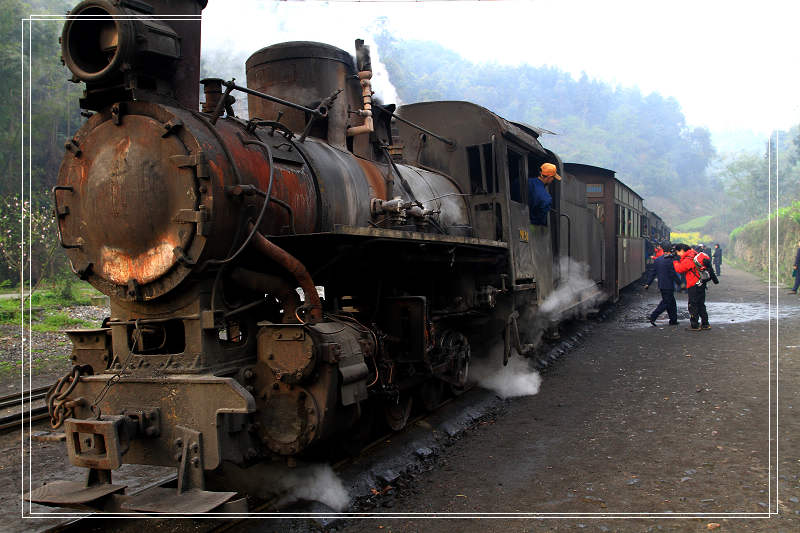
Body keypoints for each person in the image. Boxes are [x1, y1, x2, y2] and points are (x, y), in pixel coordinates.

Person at [673, 243, 718, 331]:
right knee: (701, 304)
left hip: (693, 284)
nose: (678, 254)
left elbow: (679, 269)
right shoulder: (695, 254)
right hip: (701, 283)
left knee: (693, 305)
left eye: (678, 252)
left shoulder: (688, 258)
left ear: (682, 250)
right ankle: (705, 324)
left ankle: (694, 325)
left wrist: (675, 261)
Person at [643, 244, 681, 326]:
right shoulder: (670, 260)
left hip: (661, 284)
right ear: (670, 250)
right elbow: (673, 274)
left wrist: (648, 283)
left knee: (672, 303)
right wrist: (680, 283)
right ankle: (653, 316)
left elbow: (653, 273)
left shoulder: (658, 260)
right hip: (669, 285)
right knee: (666, 303)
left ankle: (673, 320)